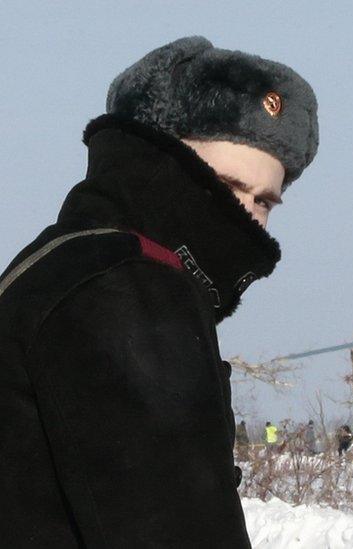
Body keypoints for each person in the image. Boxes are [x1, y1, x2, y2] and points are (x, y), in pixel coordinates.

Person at [0, 36, 318, 545]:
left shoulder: (70, 263)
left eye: (265, 202)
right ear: (161, 161)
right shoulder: (129, 290)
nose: (248, 218)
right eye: (228, 186)